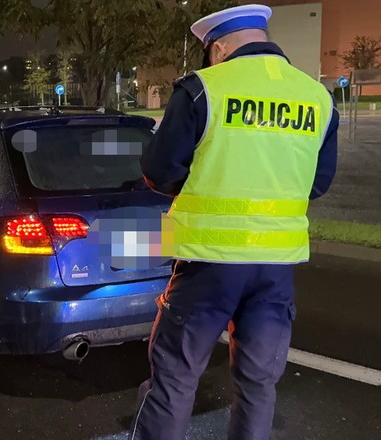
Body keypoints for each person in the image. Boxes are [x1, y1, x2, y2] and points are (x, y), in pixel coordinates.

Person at [130, 4, 338, 439]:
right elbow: (316, 185)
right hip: (276, 269)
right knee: (259, 384)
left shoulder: (203, 89)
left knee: (175, 381)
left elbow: (159, 170)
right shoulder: (317, 98)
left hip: (207, 263)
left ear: (219, 47)